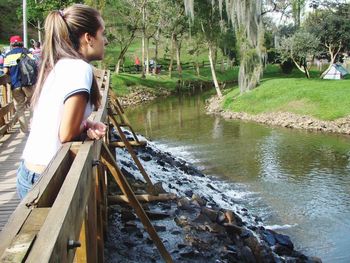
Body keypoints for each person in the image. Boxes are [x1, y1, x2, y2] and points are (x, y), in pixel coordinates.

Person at [17, 4, 108, 199]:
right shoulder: (79, 69)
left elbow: (58, 119)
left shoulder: (63, 65)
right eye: (103, 33)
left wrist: (85, 124)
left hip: (33, 170)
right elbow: (66, 133)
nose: (105, 41)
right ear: (88, 38)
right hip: (44, 177)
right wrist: (84, 129)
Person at [3, 35, 34, 133]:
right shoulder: (28, 53)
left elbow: (5, 71)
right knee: (33, 105)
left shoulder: (8, 55)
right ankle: (34, 127)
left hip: (15, 84)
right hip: (29, 84)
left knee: (19, 108)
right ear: (21, 43)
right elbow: (35, 65)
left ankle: (24, 130)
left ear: (12, 44)